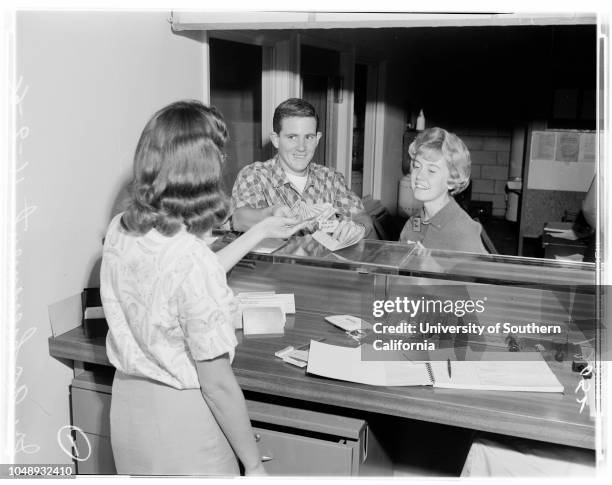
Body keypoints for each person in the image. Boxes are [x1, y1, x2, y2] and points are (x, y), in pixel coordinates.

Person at [100, 100, 307, 476]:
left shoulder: (121, 228)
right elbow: (218, 387)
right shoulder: (190, 258)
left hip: (129, 411)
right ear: (204, 168)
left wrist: (260, 230)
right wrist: (253, 464)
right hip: (184, 424)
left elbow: (185, 275)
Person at [231, 97, 375, 241]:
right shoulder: (254, 175)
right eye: (292, 137)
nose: (301, 147)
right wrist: (271, 214)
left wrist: (358, 228)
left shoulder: (331, 178)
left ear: (317, 139)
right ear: (276, 139)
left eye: (309, 137)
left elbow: (362, 217)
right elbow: (239, 219)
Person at [399, 127, 486, 254]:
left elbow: (479, 273)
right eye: (417, 166)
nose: (419, 176)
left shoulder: (464, 232)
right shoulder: (414, 222)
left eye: (432, 170)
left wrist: (435, 269)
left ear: (451, 180)